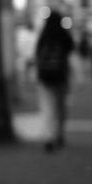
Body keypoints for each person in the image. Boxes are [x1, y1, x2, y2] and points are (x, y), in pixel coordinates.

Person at [34, 9, 74, 152]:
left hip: (45, 78)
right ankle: (60, 135)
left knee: (47, 107)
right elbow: (71, 50)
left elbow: (37, 55)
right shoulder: (63, 35)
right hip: (61, 76)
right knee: (61, 106)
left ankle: (48, 137)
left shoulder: (44, 36)